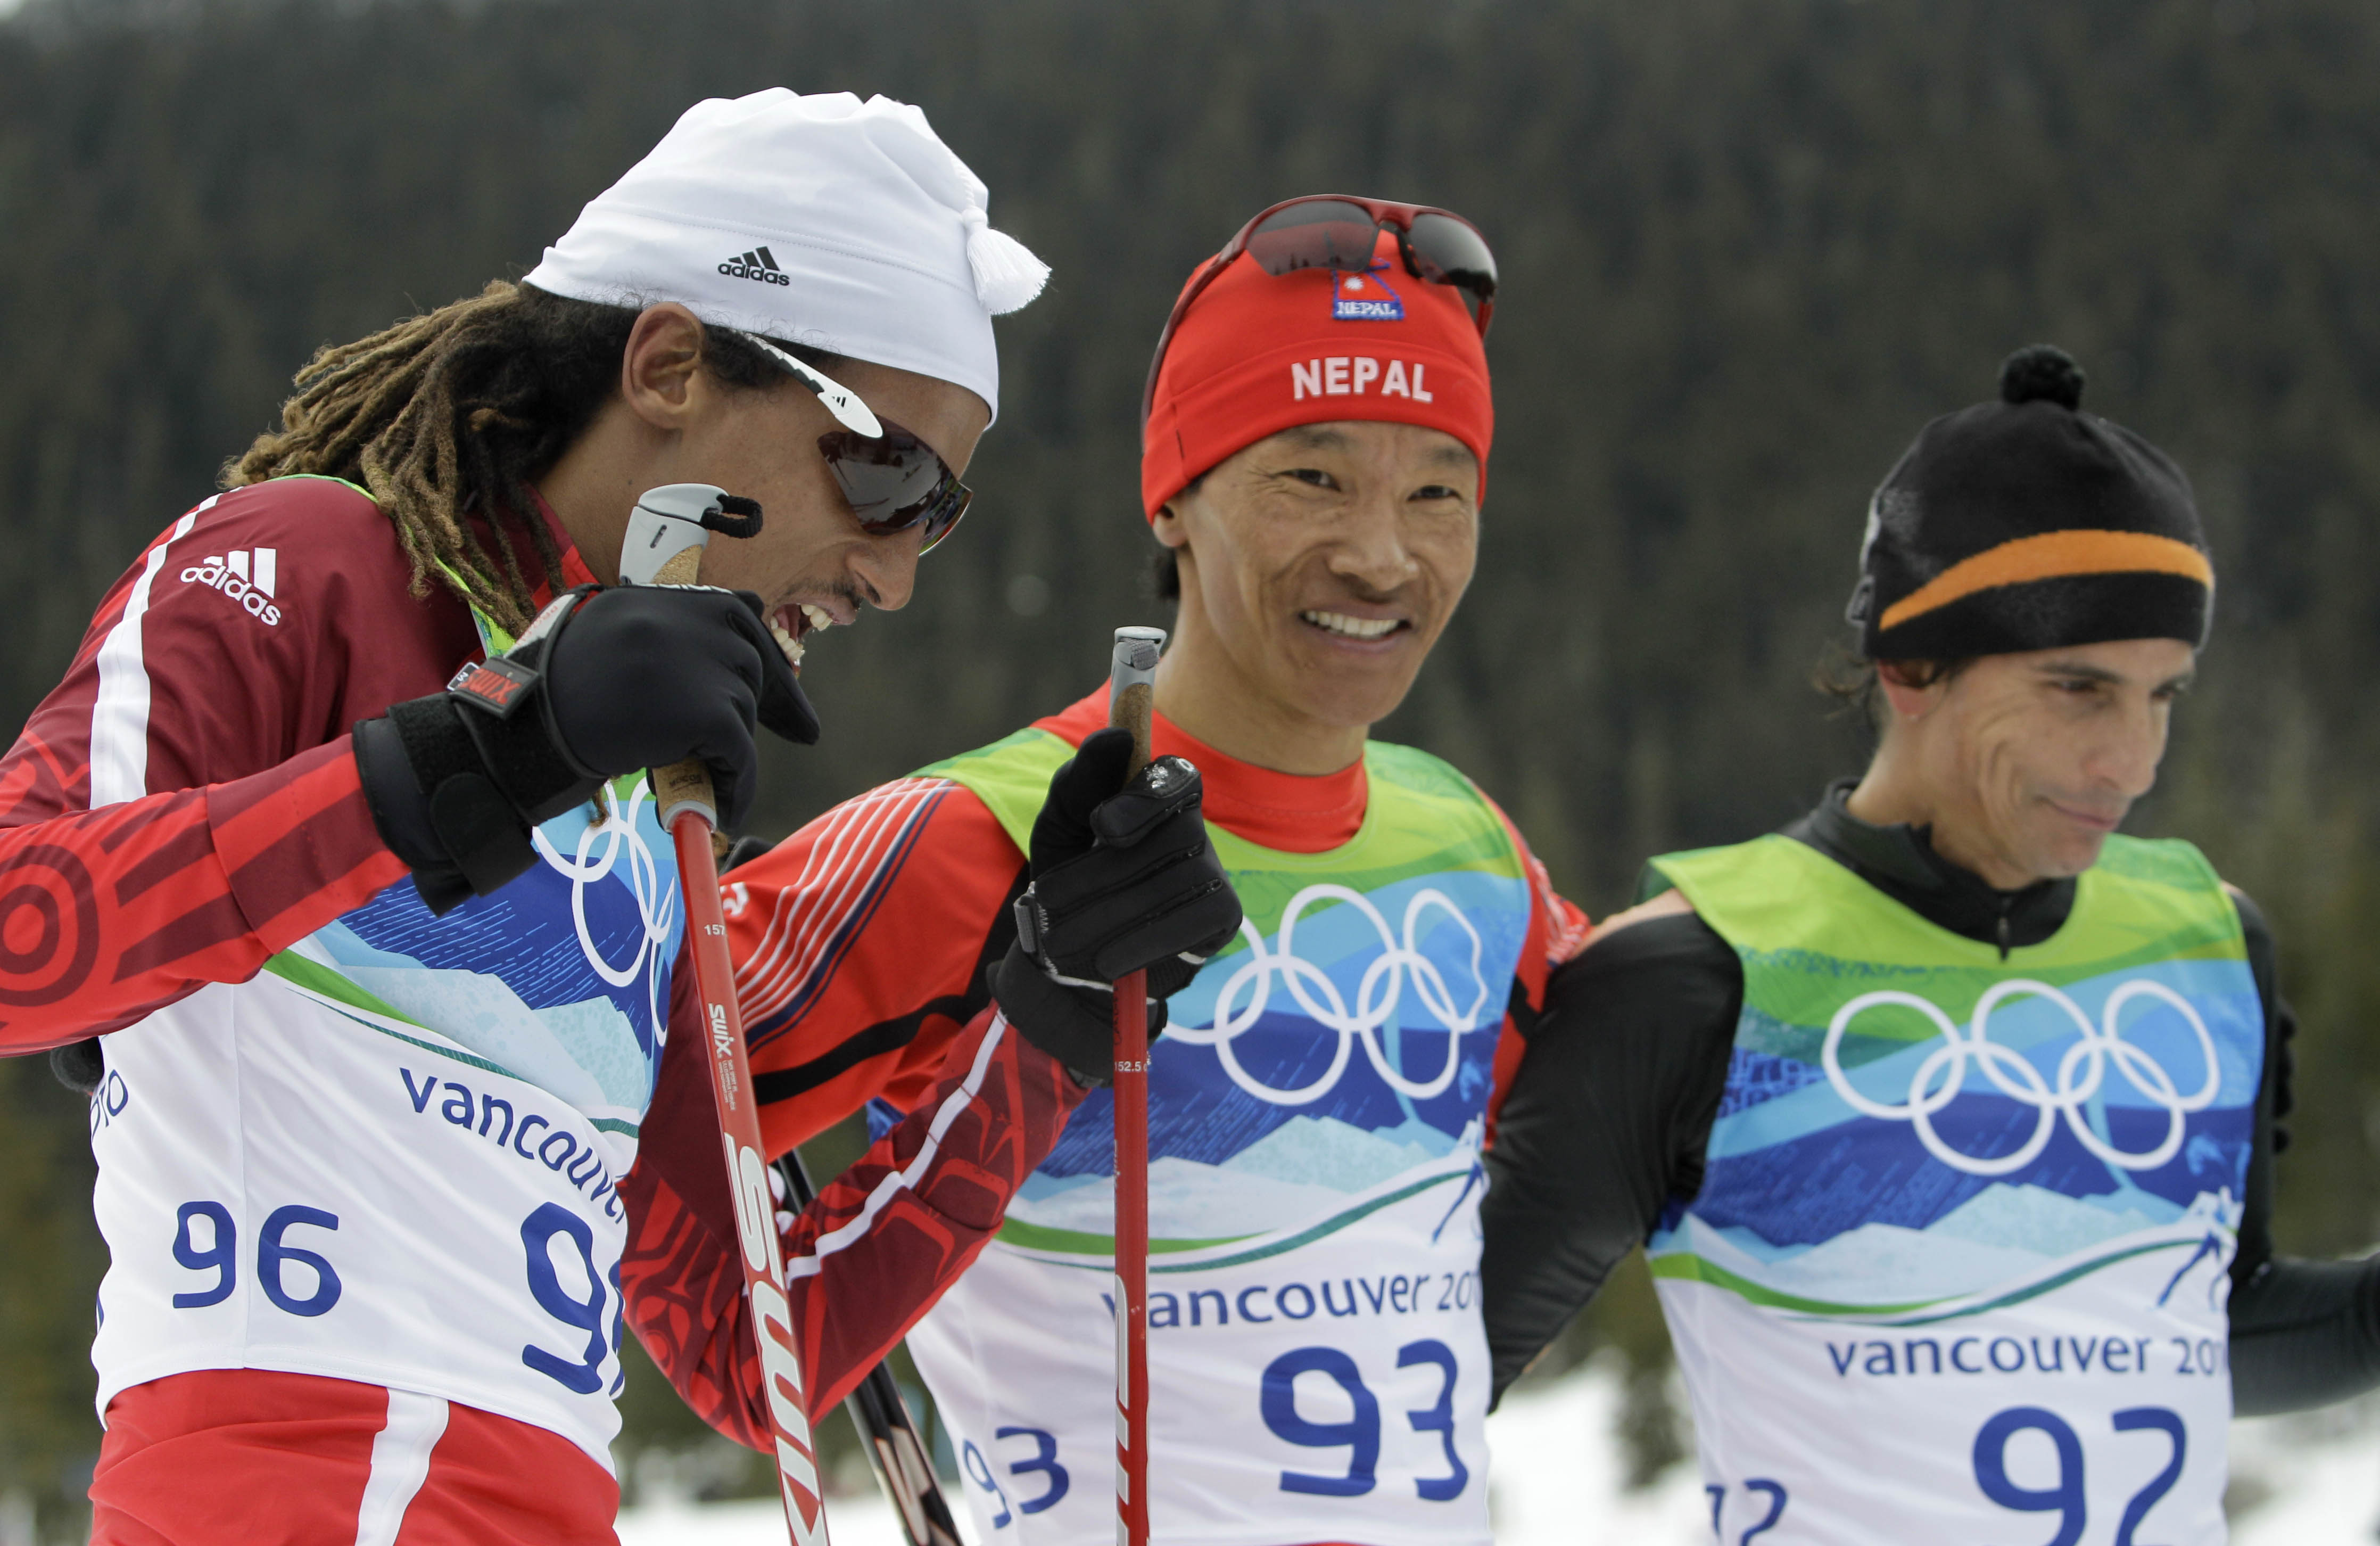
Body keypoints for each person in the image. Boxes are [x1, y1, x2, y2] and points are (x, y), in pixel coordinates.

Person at [3, 87, 1228, 1545]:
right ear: (667, 362)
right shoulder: (306, 564)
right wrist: (476, 761)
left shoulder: (645, 818)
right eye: (884, 472)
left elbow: (755, 1350)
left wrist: (1049, 1020)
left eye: (937, 512)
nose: (893, 575)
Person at [629, 195, 1588, 1546]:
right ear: (1178, 497)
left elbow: (1661, 1101)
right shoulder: (972, 833)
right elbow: (613, 1124)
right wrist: (1018, 1060)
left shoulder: (1468, 846)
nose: (1383, 554)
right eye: (1311, 477)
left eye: (1439, 490)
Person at [1479, 346, 2380, 1544]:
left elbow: (2209, 1330)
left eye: (2163, 695)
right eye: (2079, 689)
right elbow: (1425, 1384)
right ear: (1910, 665)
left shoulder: (2208, 945)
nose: (2133, 762)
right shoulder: (1699, 977)